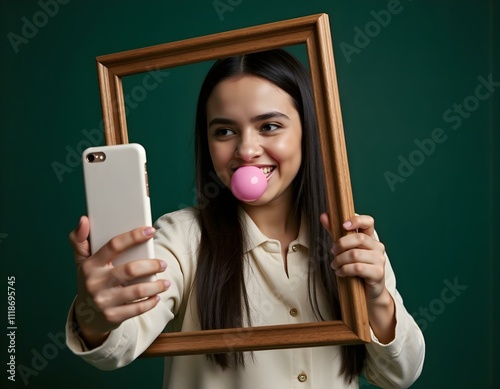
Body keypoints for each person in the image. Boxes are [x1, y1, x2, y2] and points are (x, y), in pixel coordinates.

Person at [66, 49, 425, 388]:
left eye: (269, 126)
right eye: (224, 131)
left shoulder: (351, 240)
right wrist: (96, 314)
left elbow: (399, 374)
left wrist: (377, 296)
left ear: (307, 131)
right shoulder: (181, 238)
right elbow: (121, 342)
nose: (246, 150)